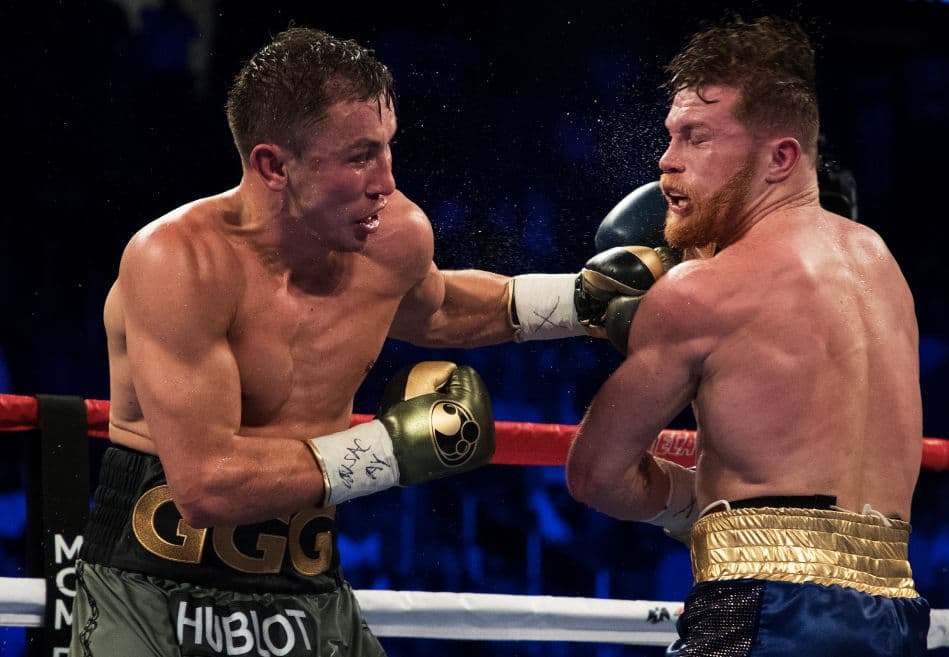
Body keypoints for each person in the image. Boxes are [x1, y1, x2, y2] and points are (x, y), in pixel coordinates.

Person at [69, 26, 657, 657]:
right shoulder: (180, 262)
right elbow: (206, 485)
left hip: (307, 587)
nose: (386, 180)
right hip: (152, 593)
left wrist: (581, 300)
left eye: (387, 149)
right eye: (358, 157)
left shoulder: (390, 236)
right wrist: (392, 451)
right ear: (273, 165)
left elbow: (436, 308)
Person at [565, 16, 930, 656]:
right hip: (897, 615)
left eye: (697, 138)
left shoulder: (700, 292)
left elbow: (596, 473)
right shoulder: (881, 264)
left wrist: (701, 506)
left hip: (767, 608)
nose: (667, 161)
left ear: (781, 157)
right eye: (671, 136)